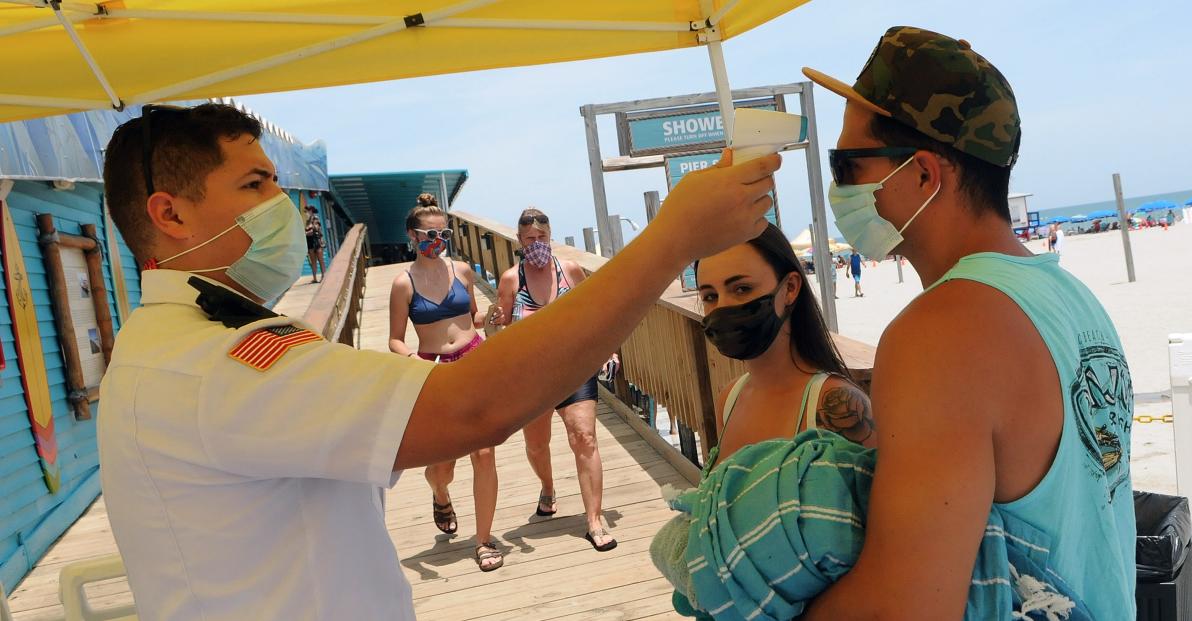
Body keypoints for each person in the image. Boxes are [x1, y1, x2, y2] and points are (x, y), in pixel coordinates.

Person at [97, 102, 780, 619]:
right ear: (172, 215)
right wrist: (673, 238)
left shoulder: (183, 342)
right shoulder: (212, 361)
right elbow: (473, 407)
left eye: (278, 184)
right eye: (253, 186)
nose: (282, 206)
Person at [798, 26, 1135, 619]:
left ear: (925, 174)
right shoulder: (1065, 294)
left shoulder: (943, 332)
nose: (836, 188)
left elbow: (906, 605)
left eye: (846, 165)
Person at [386, 195, 502, 572]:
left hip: (473, 361)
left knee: (484, 453)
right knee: (443, 464)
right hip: (433, 371)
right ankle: (440, 491)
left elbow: (474, 317)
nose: (437, 239)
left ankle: (483, 541)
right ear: (412, 236)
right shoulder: (403, 284)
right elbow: (396, 338)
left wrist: (494, 314)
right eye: (429, 233)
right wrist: (410, 361)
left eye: (443, 233)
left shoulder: (463, 271)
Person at [490, 208, 616, 552]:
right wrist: (497, 320)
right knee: (536, 444)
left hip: (574, 367)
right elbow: (500, 329)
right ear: (519, 240)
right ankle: (547, 486)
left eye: (542, 238)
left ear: (551, 237)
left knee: (584, 437)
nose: (536, 244)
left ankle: (594, 520)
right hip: (532, 376)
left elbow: (594, 312)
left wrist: (608, 350)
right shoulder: (511, 279)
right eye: (529, 239)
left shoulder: (570, 271)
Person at [695, 223, 873, 465]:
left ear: (790, 288)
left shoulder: (836, 403)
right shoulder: (729, 400)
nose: (723, 307)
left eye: (742, 289)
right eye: (710, 296)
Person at [304, 204, 325, 282]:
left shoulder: (315, 218)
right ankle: (315, 278)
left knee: (320, 260)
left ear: (311, 211)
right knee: (313, 261)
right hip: (310, 242)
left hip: (317, 241)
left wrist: (306, 233)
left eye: (307, 211)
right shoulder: (307, 221)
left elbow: (315, 229)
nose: (306, 213)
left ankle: (323, 276)